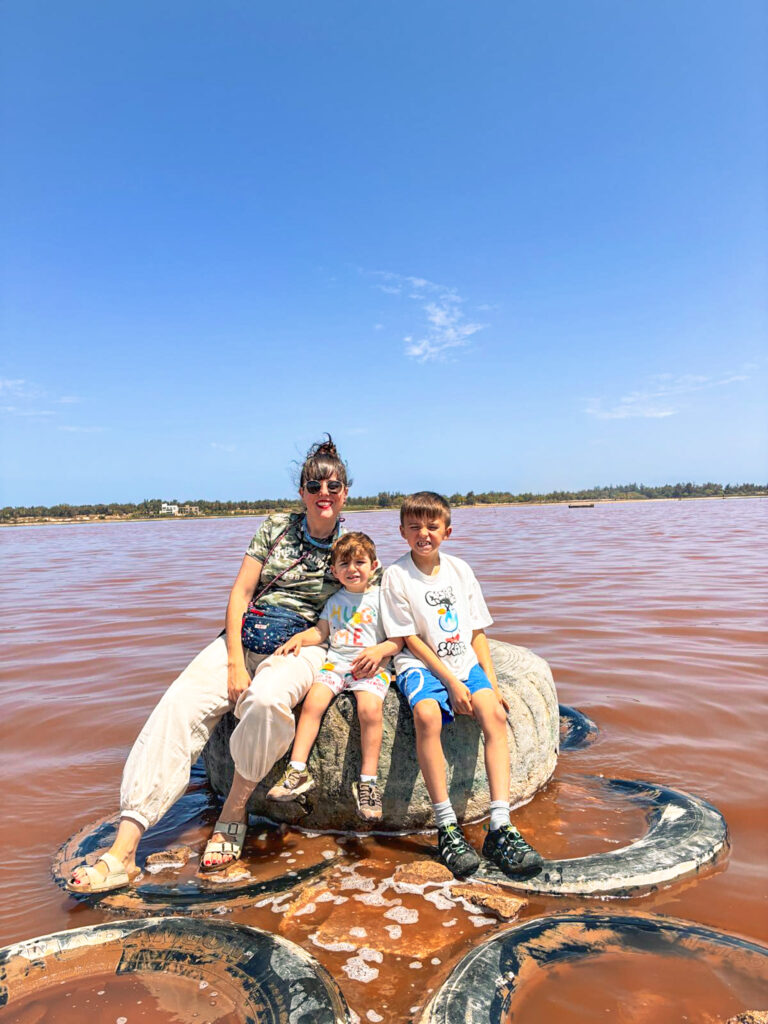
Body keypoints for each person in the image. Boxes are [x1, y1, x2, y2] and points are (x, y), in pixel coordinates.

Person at [67, 436, 349, 893]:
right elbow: (240, 594)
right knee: (177, 706)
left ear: (345, 493)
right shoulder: (275, 526)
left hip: (301, 645)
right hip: (244, 636)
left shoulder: (350, 546)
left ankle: (233, 809)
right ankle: (123, 850)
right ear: (302, 492)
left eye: (333, 485)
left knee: (266, 700)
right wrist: (236, 662)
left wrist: (311, 638)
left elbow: (352, 612)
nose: (324, 492)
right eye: (315, 483)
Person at [380, 491, 543, 879]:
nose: (424, 534)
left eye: (432, 527)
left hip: (463, 662)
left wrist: (491, 682)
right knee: (426, 715)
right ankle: (447, 827)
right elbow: (410, 640)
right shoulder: (396, 575)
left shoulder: (460, 571)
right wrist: (450, 682)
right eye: (415, 526)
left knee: (494, 715)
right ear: (402, 531)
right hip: (420, 663)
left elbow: (477, 632)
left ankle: (500, 826)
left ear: (447, 531)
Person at [265, 532, 402, 821]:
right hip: (336, 663)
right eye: (345, 564)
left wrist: (379, 652)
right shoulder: (334, 600)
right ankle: (297, 771)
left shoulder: (382, 599)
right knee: (313, 703)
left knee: (369, 710)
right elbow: (322, 632)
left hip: (370, 668)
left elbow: (398, 640)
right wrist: (300, 639)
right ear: (334, 571)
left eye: (360, 562)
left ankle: (368, 783)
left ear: (374, 565)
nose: (353, 569)